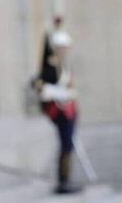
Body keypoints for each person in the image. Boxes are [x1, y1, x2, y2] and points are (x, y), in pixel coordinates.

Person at [33, 16, 83, 194]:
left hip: (68, 108)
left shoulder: (63, 66)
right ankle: (63, 180)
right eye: (61, 48)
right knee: (65, 144)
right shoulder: (50, 68)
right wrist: (62, 92)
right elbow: (41, 87)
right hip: (60, 111)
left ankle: (66, 178)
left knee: (68, 144)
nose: (64, 51)